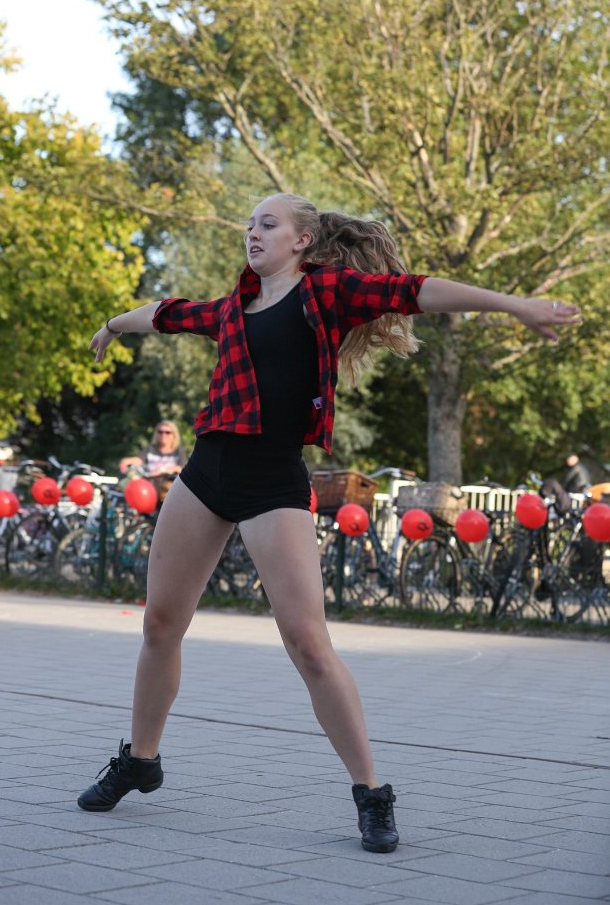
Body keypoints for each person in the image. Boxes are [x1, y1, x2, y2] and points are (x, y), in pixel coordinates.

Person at [81, 192, 582, 853]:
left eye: (266, 224)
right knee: (159, 623)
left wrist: (515, 306)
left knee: (308, 644)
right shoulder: (233, 305)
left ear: (303, 242)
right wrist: (115, 325)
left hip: (271, 479)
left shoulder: (327, 293)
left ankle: (371, 792)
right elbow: (167, 313)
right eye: (248, 223)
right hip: (206, 472)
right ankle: (141, 759)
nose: (251, 233)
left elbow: (420, 290)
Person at [119, 420, 188, 478]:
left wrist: (162, 470)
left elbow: (181, 468)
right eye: (160, 432)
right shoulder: (150, 449)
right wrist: (126, 461)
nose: (163, 435)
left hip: (169, 485)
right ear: (156, 434)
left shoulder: (179, 450)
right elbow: (139, 460)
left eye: (167, 432)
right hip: (149, 485)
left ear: (174, 435)